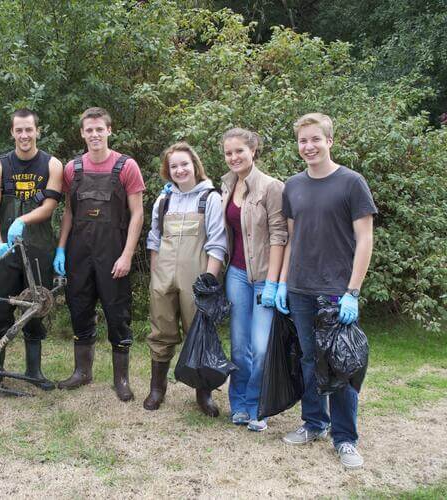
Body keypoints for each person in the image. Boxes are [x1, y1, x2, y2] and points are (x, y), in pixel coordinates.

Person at [276, 113, 376, 469]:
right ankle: (314, 423)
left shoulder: (351, 183)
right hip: (300, 288)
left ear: (330, 141)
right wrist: (282, 284)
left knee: (341, 363)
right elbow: (290, 238)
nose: (309, 146)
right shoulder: (292, 186)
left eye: (315, 139)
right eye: (303, 141)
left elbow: (365, 239)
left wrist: (353, 290)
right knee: (308, 359)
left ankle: (345, 438)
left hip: (336, 290)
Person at [54, 107, 145, 401]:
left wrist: (128, 254)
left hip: (113, 252)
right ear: (82, 133)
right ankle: (82, 372)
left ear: (109, 130)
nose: (94, 135)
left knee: (117, 312)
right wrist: (61, 248)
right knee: (79, 307)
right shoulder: (73, 169)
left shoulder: (126, 167)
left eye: (99, 129)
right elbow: (68, 211)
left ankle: (121, 379)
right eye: (88, 130)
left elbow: (138, 214)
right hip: (79, 253)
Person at [0, 109, 63, 391]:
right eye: (19, 130)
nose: (24, 135)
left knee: (36, 306)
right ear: (12, 132)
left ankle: (34, 371)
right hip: (4, 249)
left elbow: (50, 205)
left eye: (29, 129)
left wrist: (22, 220)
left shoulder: (52, 164)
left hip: (38, 246)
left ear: (37, 131)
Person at [143, 142, 227, 413]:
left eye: (184, 164)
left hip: (197, 279)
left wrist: (208, 283)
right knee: (161, 332)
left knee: (198, 334)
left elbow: (218, 242)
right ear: (168, 171)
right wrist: (156, 274)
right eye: (174, 166)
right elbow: (154, 239)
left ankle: (203, 396)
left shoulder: (211, 198)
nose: (179, 170)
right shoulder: (163, 200)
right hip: (164, 277)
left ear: (195, 166)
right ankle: (157, 389)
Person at [219, 128, 287, 431]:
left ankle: (259, 405)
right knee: (239, 346)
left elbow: (279, 235)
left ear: (253, 150)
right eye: (228, 152)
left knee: (261, 347)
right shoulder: (226, 185)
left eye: (239, 151)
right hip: (235, 275)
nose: (234, 157)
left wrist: (273, 282)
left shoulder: (272, 187)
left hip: (263, 278)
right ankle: (240, 405)